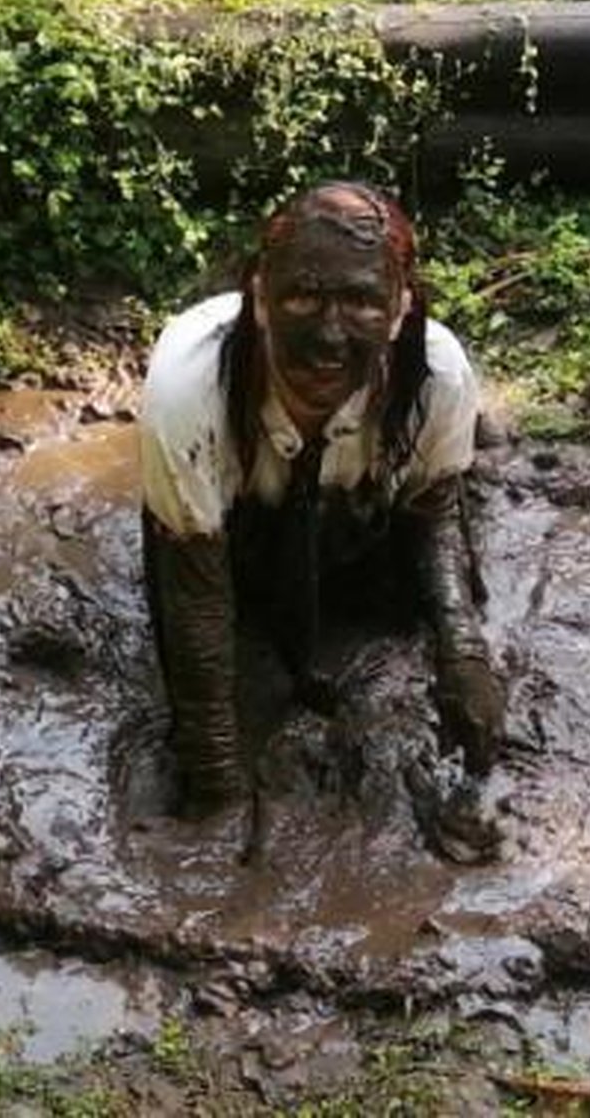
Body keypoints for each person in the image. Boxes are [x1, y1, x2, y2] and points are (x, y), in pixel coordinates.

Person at [139, 180, 504, 815]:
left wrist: (462, 648)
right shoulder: (188, 385)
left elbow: (434, 510)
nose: (329, 337)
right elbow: (196, 596)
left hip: (356, 518)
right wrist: (217, 781)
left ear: (398, 311)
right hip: (230, 532)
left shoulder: (436, 374)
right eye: (303, 296)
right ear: (259, 299)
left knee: (409, 610)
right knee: (222, 649)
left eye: (362, 302)